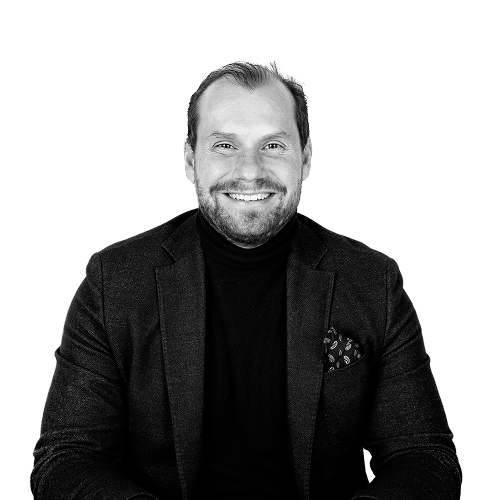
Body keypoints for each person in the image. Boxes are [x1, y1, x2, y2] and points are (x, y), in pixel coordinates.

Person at [31, 62, 462, 500]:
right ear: (190, 160)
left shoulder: (372, 282)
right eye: (224, 145)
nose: (250, 170)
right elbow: (66, 458)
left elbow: (424, 456)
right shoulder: (114, 282)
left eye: (273, 145)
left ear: (305, 158)